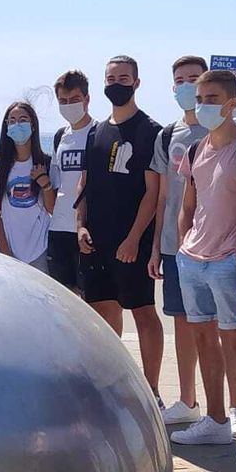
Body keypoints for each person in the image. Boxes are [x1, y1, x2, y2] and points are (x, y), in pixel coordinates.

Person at [168, 70, 236, 456]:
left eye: (212, 98)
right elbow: (188, 204)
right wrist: (183, 247)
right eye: (200, 98)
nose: (204, 105)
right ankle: (214, 420)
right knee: (201, 339)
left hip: (229, 263)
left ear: (231, 104)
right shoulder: (195, 150)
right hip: (193, 260)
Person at [77, 55, 165, 400]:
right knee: (104, 311)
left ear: (136, 83)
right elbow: (85, 184)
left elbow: (152, 193)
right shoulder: (96, 132)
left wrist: (134, 238)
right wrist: (81, 226)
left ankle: (152, 389)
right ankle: (112, 387)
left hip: (132, 241)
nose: (116, 83)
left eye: (123, 78)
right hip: (97, 239)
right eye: (110, 77)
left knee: (143, 311)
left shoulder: (150, 131)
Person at [147, 56, 210, 430]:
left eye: (194, 79)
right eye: (180, 80)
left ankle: (233, 408)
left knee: (222, 330)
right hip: (174, 248)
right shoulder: (167, 135)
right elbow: (161, 197)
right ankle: (188, 400)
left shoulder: (224, 133)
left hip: (218, 248)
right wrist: (156, 246)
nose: (186, 86)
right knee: (184, 326)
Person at [0, 101, 54, 269]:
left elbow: (52, 208)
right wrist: (4, 251)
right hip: (4, 251)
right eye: (12, 121)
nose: (17, 125)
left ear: (33, 125)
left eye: (23, 120)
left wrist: (45, 185)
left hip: (39, 251)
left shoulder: (46, 163)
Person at [48, 71, 95, 291]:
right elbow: (57, 183)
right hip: (58, 228)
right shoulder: (60, 137)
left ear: (87, 99)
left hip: (87, 230)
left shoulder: (99, 132)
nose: (69, 105)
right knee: (63, 297)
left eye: (74, 100)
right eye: (63, 101)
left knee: (92, 300)